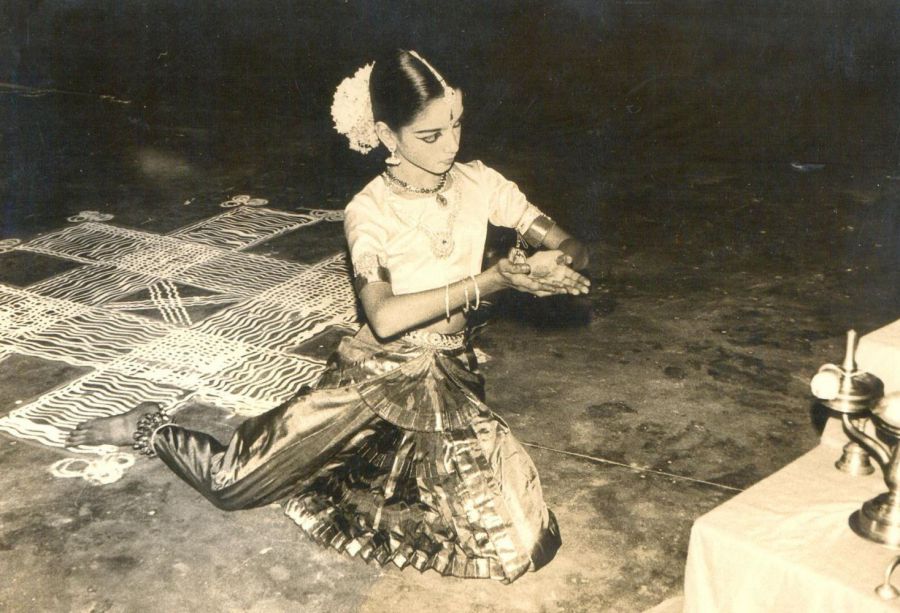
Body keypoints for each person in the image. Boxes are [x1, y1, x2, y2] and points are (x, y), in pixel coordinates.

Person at [68, 49, 590, 584]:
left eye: (456, 125)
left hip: (450, 375)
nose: (451, 145)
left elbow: (572, 246)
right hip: (377, 374)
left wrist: (558, 265)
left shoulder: (480, 183)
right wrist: (494, 280)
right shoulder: (371, 210)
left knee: (522, 542)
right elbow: (384, 317)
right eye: (431, 135)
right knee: (232, 485)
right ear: (387, 136)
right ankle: (151, 426)